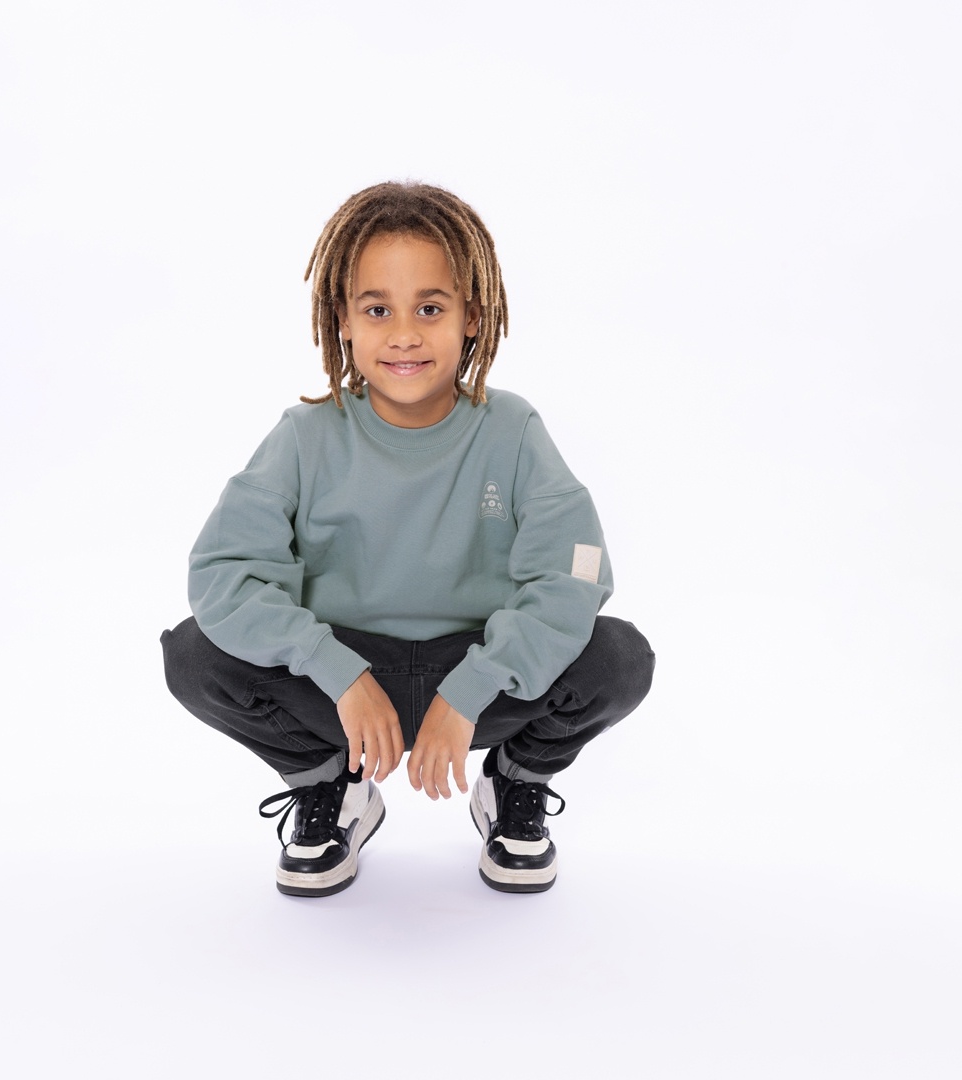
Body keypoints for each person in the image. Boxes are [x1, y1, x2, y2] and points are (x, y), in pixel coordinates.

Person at [161, 181, 654, 897]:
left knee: (618, 657)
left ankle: (513, 784)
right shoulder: (303, 438)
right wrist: (336, 671)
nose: (403, 335)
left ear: (472, 318)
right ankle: (329, 788)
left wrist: (475, 685)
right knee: (194, 654)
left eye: (429, 308)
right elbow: (223, 575)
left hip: (480, 672)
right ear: (343, 320)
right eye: (376, 309)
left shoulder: (513, 430)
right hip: (344, 678)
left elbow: (573, 574)